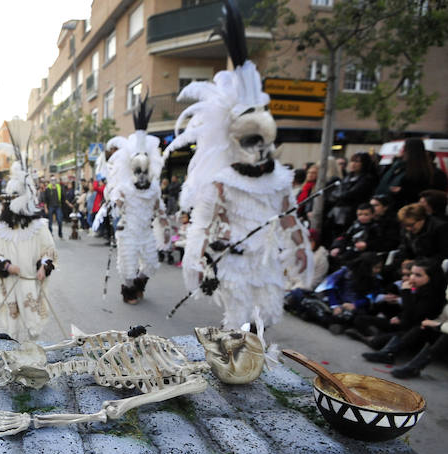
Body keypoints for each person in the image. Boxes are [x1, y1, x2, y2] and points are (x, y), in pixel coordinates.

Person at [164, 3, 310, 329]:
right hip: (234, 264)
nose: (260, 151)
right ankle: (237, 365)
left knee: (267, 319)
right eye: (251, 142)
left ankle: (245, 358)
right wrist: (196, 263)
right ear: (235, 142)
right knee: (240, 324)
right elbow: (202, 225)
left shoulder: (280, 179)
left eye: (265, 142)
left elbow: (289, 217)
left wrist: (301, 249)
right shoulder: (223, 181)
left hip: (267, 265)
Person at [96, 95, 169, 304]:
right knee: (128, 266)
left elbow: (158, 206)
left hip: (146, 232)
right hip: (128, 231)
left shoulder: (154, 187)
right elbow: (115, 198)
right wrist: (115, 205)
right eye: (138, 170)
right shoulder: (125, 187)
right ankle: (128, 291)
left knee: (152, 265)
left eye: (144, 170)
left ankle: (140, 284)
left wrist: (165, 224)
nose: (142, 174)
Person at [0, 121, 57, 341]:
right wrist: (7, 266)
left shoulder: (39, 228)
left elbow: (49, 251)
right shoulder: (4, 229)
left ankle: (33, 354)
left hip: (30, 282)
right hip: (11, 281)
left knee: (33, 326)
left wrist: (43, 266)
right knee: (12, 326)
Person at [361, 259, 446, 363]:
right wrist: (398, 317)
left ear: (431, 278)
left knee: (376, 342)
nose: (412, 278)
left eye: (418, 275)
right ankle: (376, 335)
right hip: (405, 325)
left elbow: (413, 317)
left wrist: (406, 292)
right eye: (412, 274)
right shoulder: (420, 288)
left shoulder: (435, 296)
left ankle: (387, 351)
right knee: (361, 319)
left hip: (418, 331)